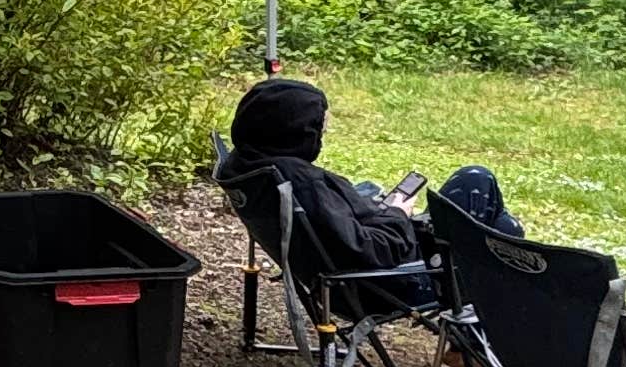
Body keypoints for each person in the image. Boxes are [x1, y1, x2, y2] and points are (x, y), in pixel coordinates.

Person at [211, 77, 517, 299]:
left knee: (503, 231)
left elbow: (340, 231)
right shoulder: (301, 185)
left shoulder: (249, 166)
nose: (322, 134)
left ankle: (474, 337)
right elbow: (367, 251)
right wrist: (396, 213)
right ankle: (471, 336)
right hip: (391, 279)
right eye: (318, 128)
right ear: (295, 130)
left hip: (347, 272)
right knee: (479, 185)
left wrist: (373, 206)